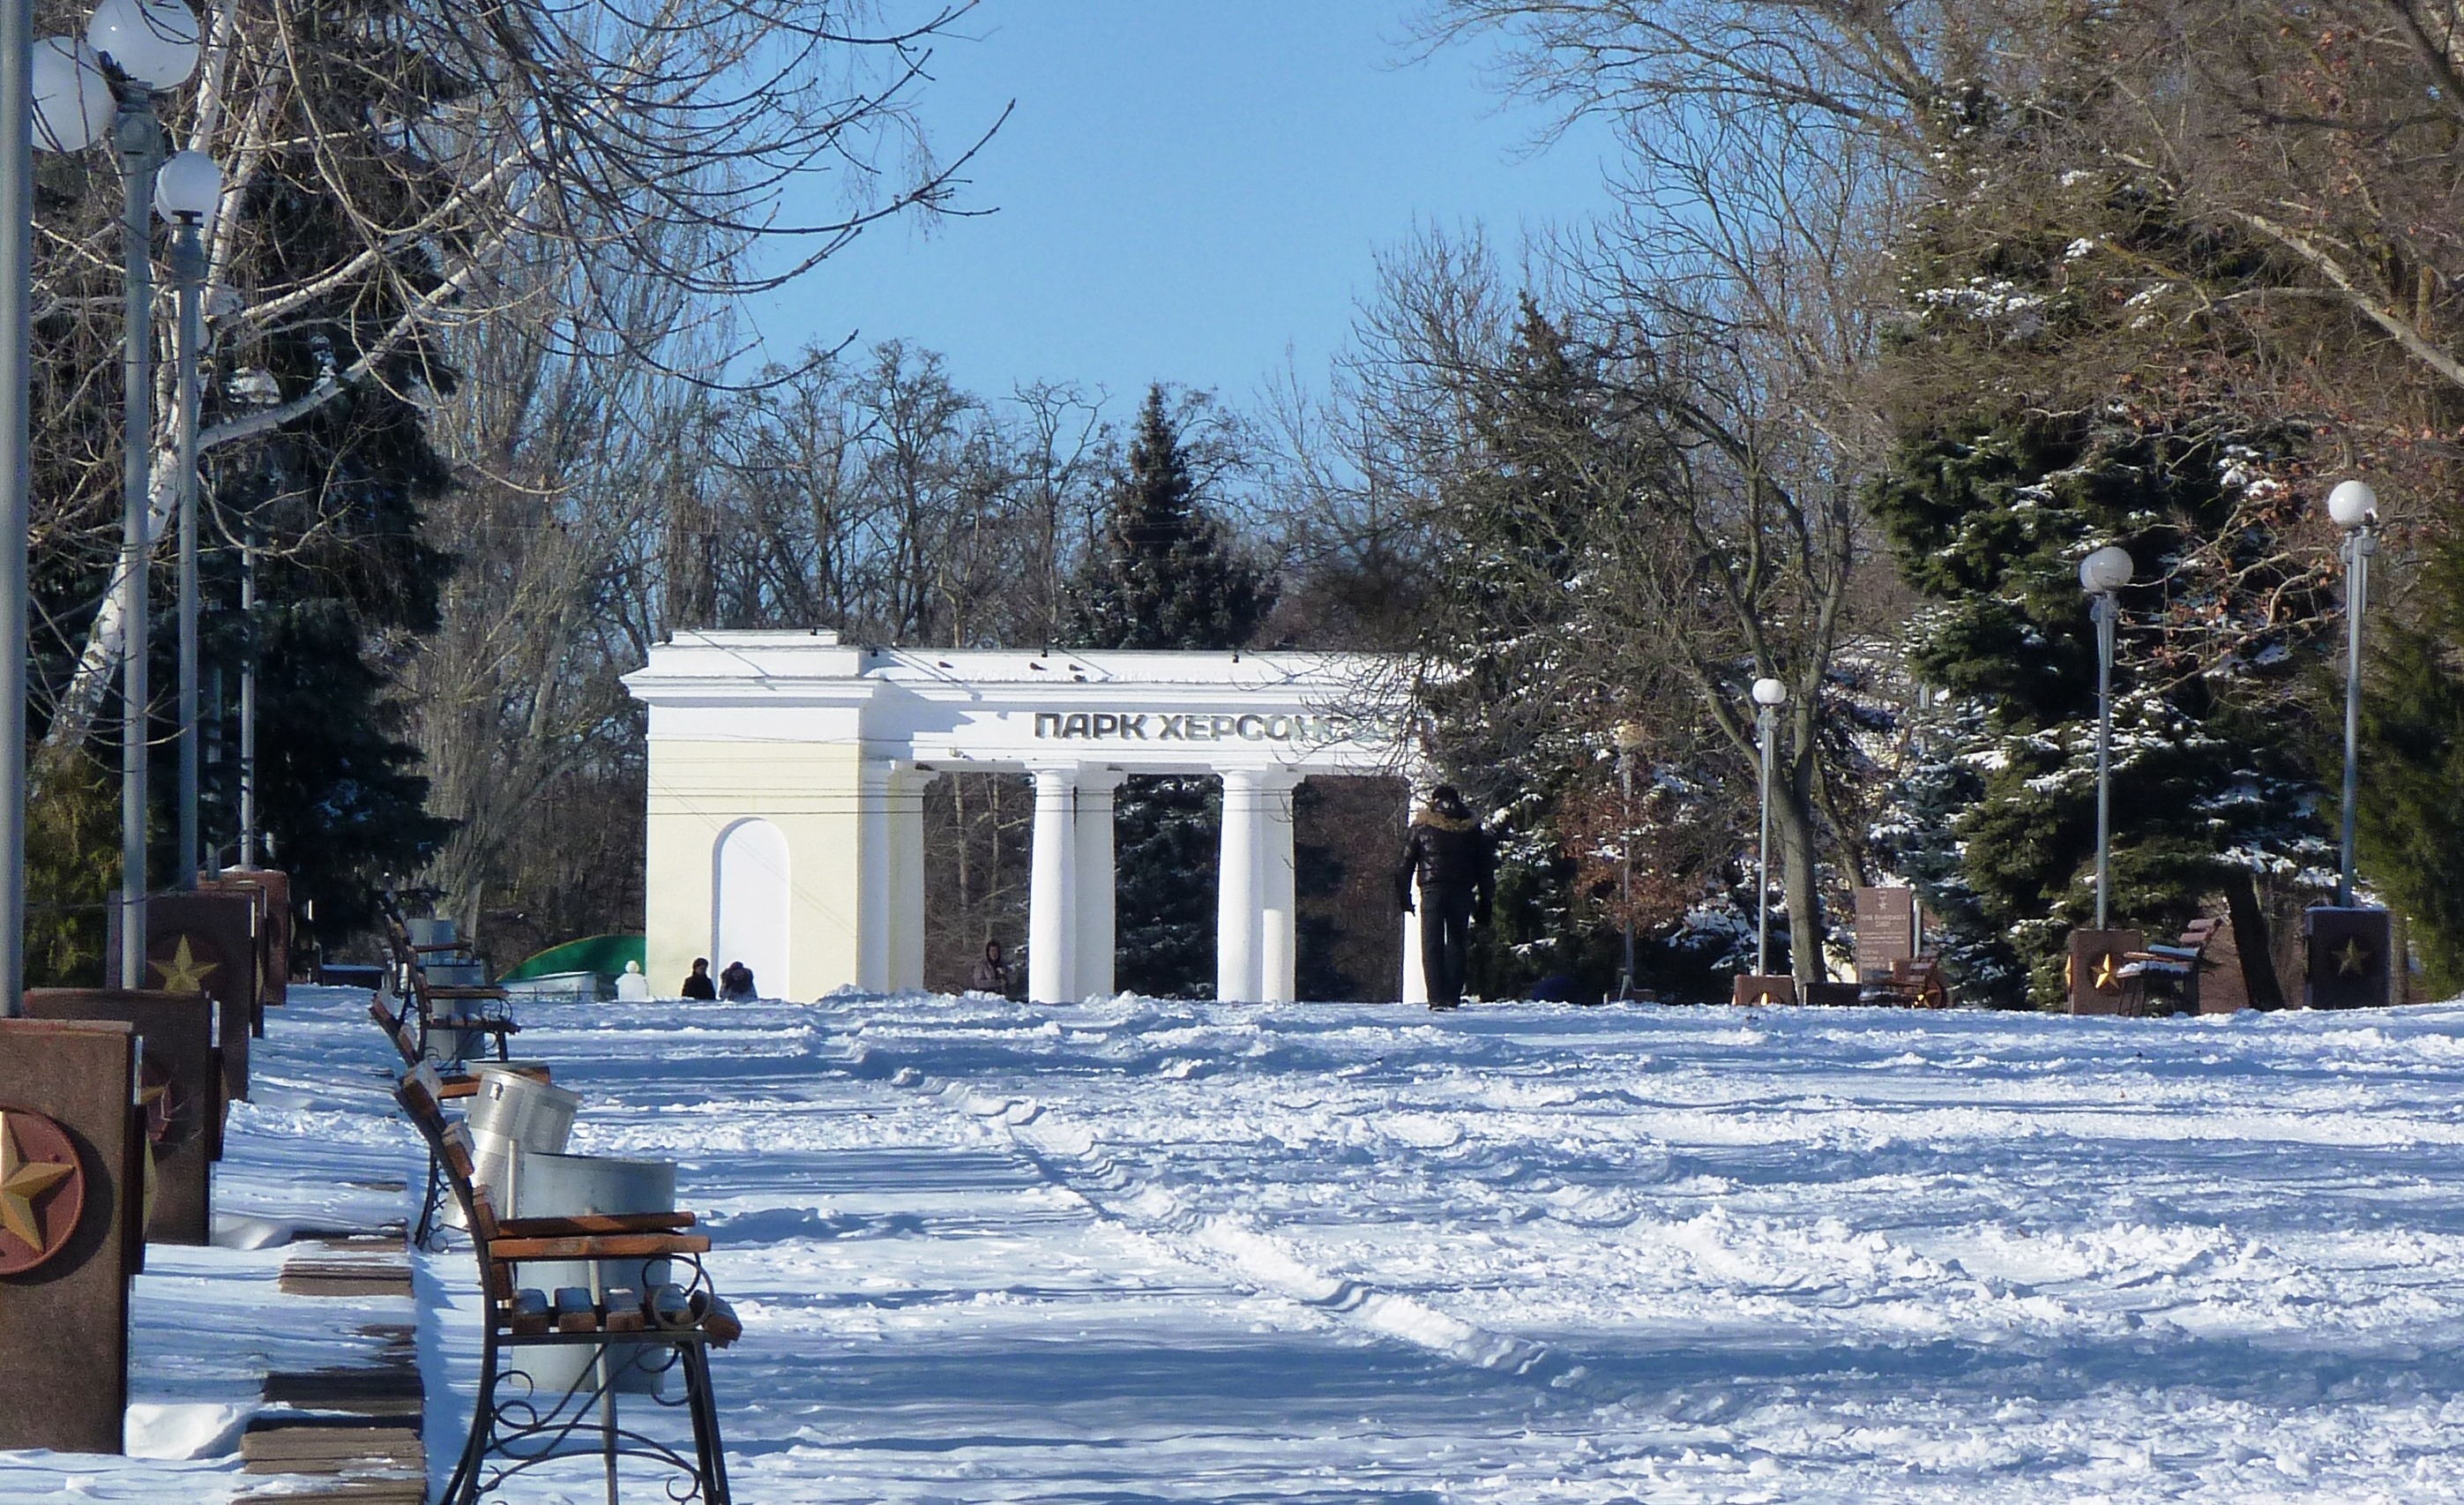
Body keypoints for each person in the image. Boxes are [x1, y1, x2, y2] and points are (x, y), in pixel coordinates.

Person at [1397, 784, 1495, 1010]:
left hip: (1432, 891)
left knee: (1431, 943)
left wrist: (1404, 896)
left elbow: (1405, 864)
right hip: (1461, 890)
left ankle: (1436, 997)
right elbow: (1484, 867)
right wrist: (1485, 901)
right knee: (1457, 942)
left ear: (1435, 801)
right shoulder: (1471, 828)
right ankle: (1451, 996)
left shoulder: (1422, 826)